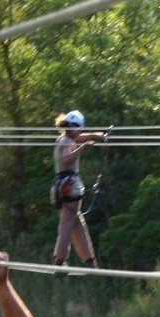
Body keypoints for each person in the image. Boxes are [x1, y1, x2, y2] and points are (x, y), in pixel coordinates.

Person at [51, 110, 107, 269]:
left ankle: (89, 261)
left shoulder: (66, 137)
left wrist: (98, 136)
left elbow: (83, 137)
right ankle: (59, 260)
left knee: (76, 223)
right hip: (69, 185)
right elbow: (66, 158)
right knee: (67, 224)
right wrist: (83, 148)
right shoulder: (66, 141)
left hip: (61, 186)